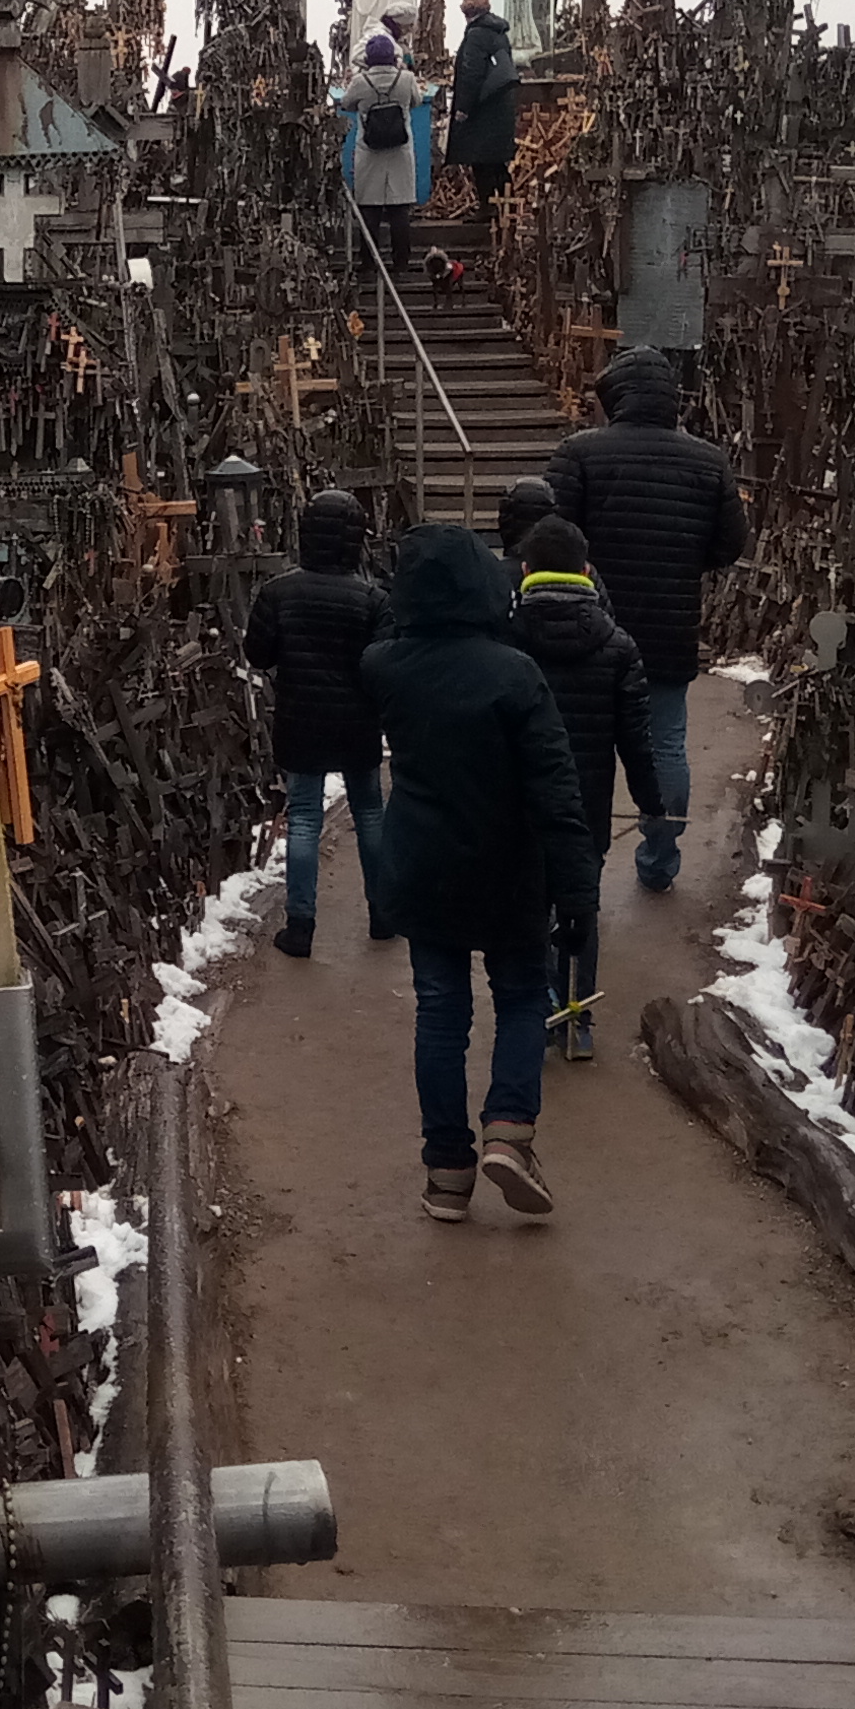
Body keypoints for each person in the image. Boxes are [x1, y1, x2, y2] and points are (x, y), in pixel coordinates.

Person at [360, 523, 589, 1222]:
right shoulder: (515, 674)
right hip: (508, 863)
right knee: (522, 994)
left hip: (425, 862)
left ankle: (446, 1169)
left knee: (440, 1012)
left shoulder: (384, 667)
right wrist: (577, 888)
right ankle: (510, 1130)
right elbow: (555, 786)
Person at [545, 344, 749, 895]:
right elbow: (731, 544)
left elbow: (550, 539)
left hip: (585, 627)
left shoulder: (579, 453)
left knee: (575, 748)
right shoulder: (708, 461)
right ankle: (660, 856)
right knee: (664, 747)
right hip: (668, 627)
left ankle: (573, 862)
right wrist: (683, 560)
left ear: (616, 397)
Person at [505, 517, 653, 1063]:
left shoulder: (505, 639)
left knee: (528, 902)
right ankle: (579, 1015)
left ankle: (537, 1004)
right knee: (581, 904)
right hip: (587, 798)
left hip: (518, 797)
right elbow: (635, 736)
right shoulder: (617, 646)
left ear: (525, 571)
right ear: (587, 570)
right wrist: (650, 800)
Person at [240, 488, 388, 957]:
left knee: (304, 819)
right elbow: (383, 664)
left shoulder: (279, 592)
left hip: (300, 718)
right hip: (358, 721)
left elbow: (257, 653)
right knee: (369, 813)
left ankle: (300, 926)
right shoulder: (372, 599)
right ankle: (383, 914)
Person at [340, 31, 430, 265]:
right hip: (400, 150)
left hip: (369, 151)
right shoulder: (406, 79)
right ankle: (401, 261)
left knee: (370, 209)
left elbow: (346, 103)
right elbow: (417, 101)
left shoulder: (361, 82)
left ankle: (369, 261)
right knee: (399, 209)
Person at [444, 0, 519, 218]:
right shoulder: (499, 33)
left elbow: (471, 74)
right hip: (500, 107)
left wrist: (463, 109)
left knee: (481, 160)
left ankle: (487, 208)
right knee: (497, 162)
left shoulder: (476, 35)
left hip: (481, 111)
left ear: (468, 13)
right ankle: (508, 205)